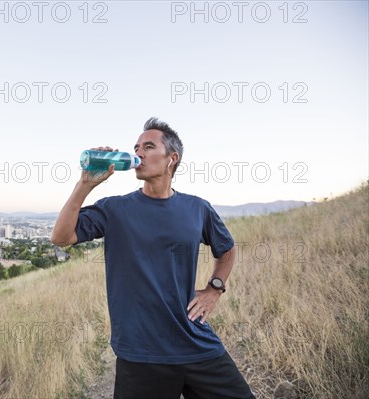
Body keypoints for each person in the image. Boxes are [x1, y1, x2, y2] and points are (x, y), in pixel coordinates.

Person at [51, 117, 255, 399]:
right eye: (136, 147)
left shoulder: (198, 209)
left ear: (172, 158)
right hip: (140, 353)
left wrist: (214, 289)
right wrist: (85, 185)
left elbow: (227, 250)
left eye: (148, 146)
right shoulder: (115, 209)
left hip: (195, 342)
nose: (138, 153)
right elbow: (61, 237)